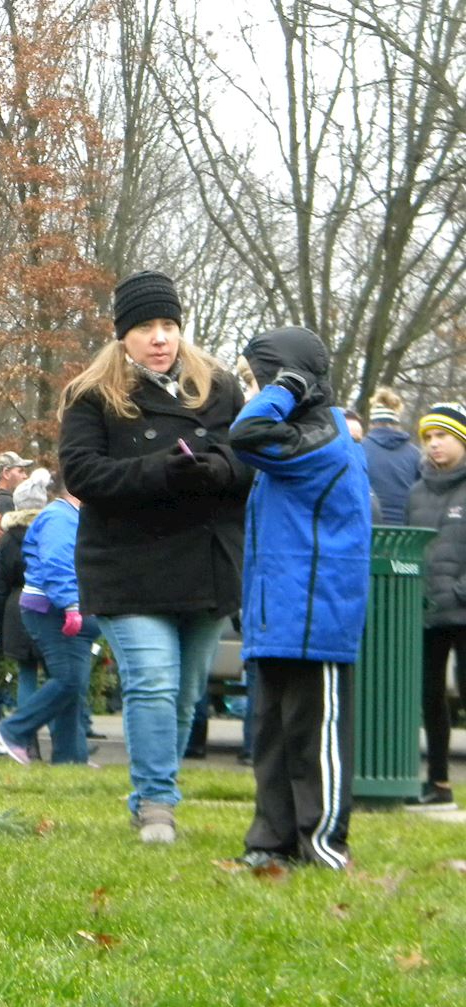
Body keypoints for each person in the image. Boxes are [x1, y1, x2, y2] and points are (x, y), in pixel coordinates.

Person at [59, 270, 252, 844]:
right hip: (129, 565)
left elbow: (249, 457)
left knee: (188, 694)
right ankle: (158, 806)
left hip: (207, 563)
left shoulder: (217, 386)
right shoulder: (93, 395)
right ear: (123, 335)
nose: (161, 338)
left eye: (169, 325)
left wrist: (221, 469)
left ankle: (147, 794)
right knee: (151, 684)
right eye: (146, 327)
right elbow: (83, 473)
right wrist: (160, 470)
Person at [230, 326, 371, 870]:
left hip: (317, 617)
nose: (257, 391)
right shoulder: (298, 437)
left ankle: (323, 844)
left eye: (261, 378)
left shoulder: (324, 438)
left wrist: (286, 385)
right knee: (272, 737)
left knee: (315, 739)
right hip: (281, 614)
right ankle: (271, 841)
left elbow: (247, 432)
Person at [0, 471, 101, 765]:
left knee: (73, 684)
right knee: (67, 680)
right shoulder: (59, 517)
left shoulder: (68, 516)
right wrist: (70, 604)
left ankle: (70, 758)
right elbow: (57, 563)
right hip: (53, 610)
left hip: (61, 608)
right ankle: (11, 731)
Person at [405, 402, 466, 808]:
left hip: (462, 609)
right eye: (428, 437)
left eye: (442, 435)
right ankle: (438, 783)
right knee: (429, 697)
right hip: (426, 611)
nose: (433, 444)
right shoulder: (416, 490)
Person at [0, 470, 49, 748]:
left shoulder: (7, 538)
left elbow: (0, 585)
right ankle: (66, 740)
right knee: (59, 676)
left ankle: (26, 739)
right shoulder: (51, 531)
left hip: (15, 607)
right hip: (49, 603)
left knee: (26, 674)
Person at [362, 387, 420, 525]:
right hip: (404, 535)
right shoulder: (416, 454)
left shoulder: (359, 449)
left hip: (369, 529)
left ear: (371, 424)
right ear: (397, 424)